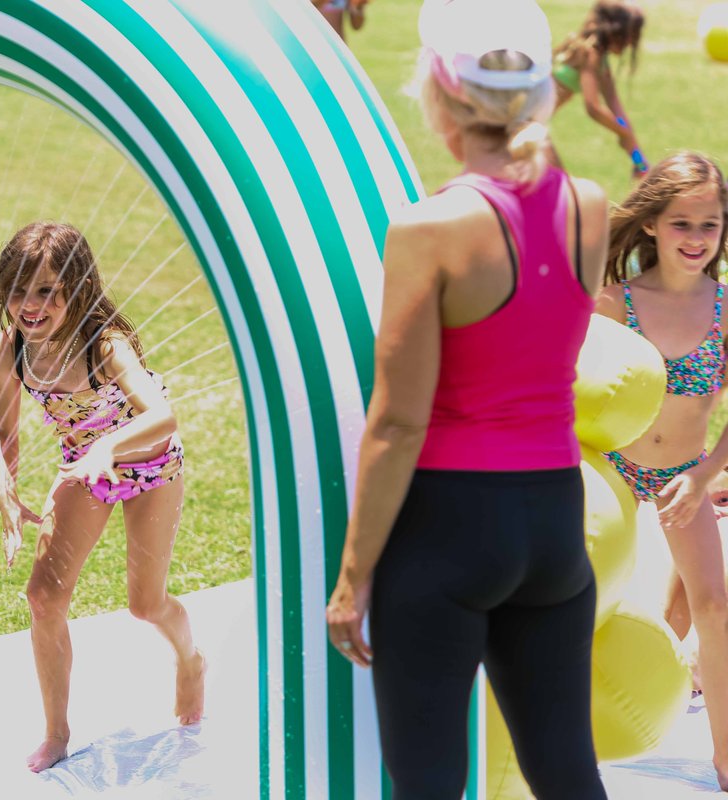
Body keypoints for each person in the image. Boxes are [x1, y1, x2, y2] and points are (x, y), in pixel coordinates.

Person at [325, 0, 610, 796]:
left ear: (440, 93)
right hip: (555, 524)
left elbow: (397, 421)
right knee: (567, 774)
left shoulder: (431, 229)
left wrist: (354, 577)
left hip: (449, 531)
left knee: (428, 785)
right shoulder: (588, 206)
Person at [0, 221, 205, 773]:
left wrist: (108, 446)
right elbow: (0, 431)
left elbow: (162, 416)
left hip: (151, 463)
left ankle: (191, 660)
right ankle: (57, 733)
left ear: (76, 289)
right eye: (18, 290)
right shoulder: (11, 349)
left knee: (145, 604)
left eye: (45, 292)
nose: (29, 306)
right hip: (87, 470)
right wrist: (4, 490)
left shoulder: (105, 343)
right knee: (43, 599)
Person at [596, 151, 728, 790]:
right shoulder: (617, 302)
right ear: (651, 224)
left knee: (716, 605)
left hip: (685, 474)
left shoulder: (723, 308)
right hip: (612, 470)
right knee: (579, 599)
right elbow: (574, 396)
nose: (697, 239)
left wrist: (704, 477)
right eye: (682, 224)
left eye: (710, 224)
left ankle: (726, 759)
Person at [552, 0, 648, 179]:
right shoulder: (590, 53)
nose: (630, 43)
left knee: (562, 187)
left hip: (531, 121)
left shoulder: (599, 58)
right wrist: (622, 132)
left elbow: (616, 108)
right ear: (616, 29)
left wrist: (639, 161)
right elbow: (593, 108)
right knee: (562, 188)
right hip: (523, 122)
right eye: (631, 35)